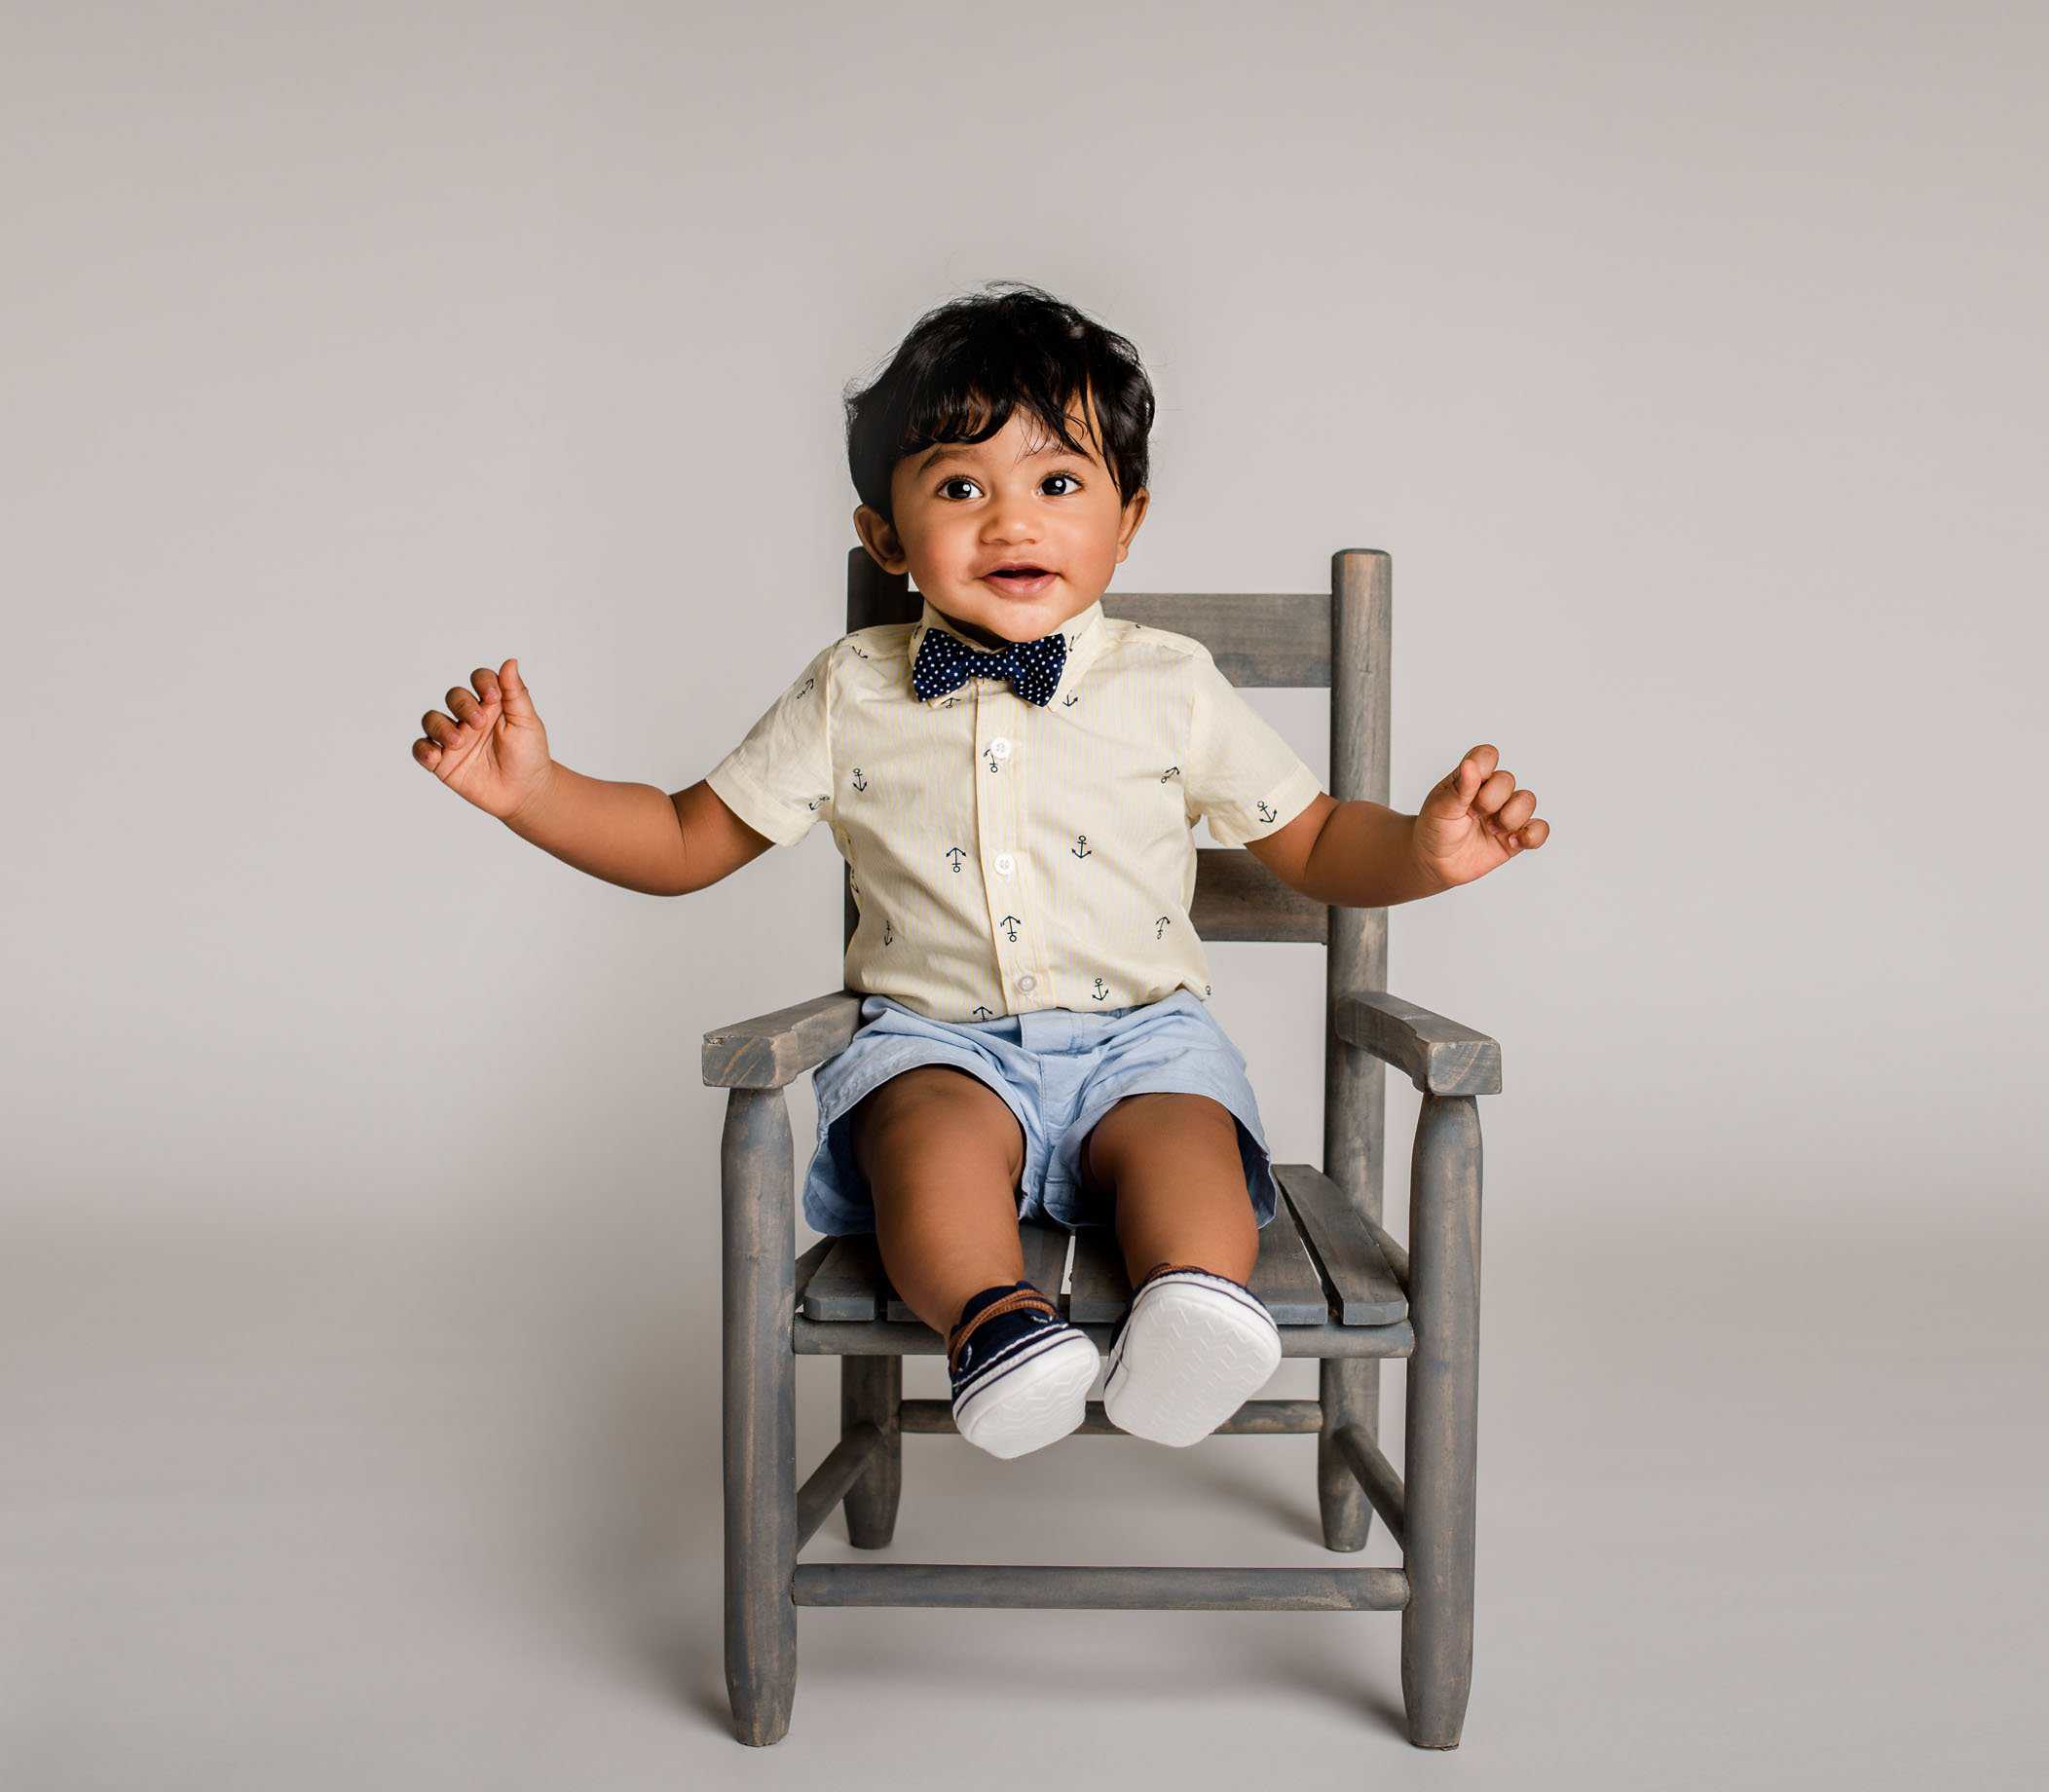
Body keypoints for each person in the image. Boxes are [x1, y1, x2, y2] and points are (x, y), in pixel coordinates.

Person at [410, 280, 1548, 1462]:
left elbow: (1311, 842)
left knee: (1184, 1145)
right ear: (886, 537)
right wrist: (534, 794)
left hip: (1142, 1040)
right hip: (937, 1043)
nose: (1011, 521)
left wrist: (1420, 849)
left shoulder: (1171, 682)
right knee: (927, 1147)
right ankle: (996, 1326)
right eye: (961, 486)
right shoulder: (850, 687)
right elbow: (688, 837)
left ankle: (1193, 1311)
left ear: (1129, 517)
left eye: (1058, 483)